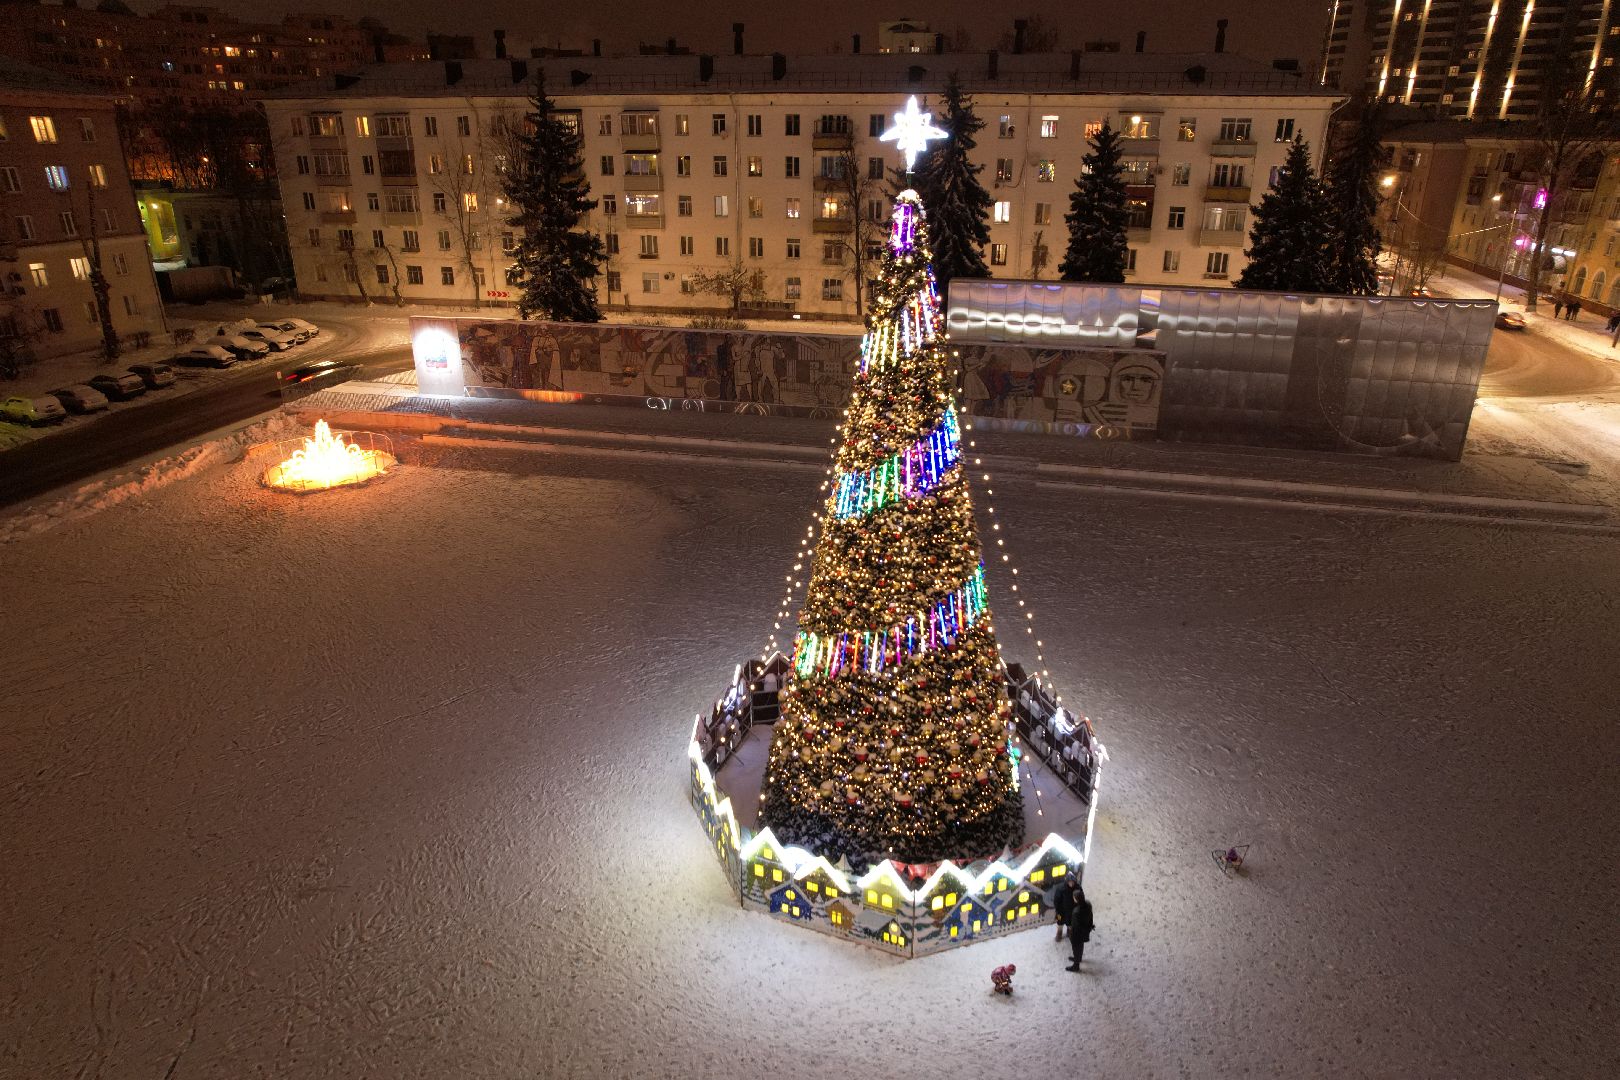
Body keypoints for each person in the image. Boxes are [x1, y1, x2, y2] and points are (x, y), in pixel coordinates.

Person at [1066, 888, 1094, 972]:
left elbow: (1076, 926)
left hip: (1077, 934)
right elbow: (1091, 916)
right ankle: (1078, 958)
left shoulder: (1076, 912)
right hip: (1085, 932)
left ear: (1076, 899)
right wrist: (1089, 927)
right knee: (1080, 946)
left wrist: (1070, 931)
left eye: (1074, 897)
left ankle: (1076, 965)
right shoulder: (1088, 904)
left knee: (1076, 948)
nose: (1073, 898)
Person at [1053, 874, 1078, 942]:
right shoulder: (1061, 889)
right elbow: (1056, 900)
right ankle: (1059, 933)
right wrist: (1057, 909)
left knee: (1070, 922)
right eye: (1070, 882)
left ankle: (1069, 932)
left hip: (1071, 910)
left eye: (1073, 882)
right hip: (1061, 910)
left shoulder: (1076, 888)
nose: (1071, 884)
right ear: (1067, 881)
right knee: (1060, 922)